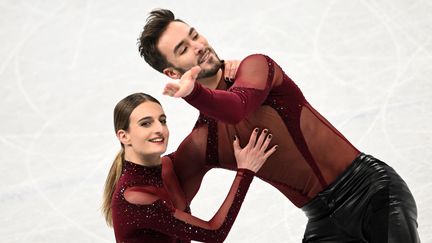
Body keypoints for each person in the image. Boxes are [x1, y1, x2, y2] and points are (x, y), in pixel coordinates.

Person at [137, 9, 421, 242]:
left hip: (372, 192)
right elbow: (166, 195)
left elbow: (236, 108)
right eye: (184, 48)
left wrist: (193, 94)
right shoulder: (205, 141)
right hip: (324, 220)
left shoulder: (256, 68)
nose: (199, 46)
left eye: (194, 35)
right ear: (173, 72)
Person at [101, 93, 277, 242]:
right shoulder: (135, 197)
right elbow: (215, 232)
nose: (159, 129)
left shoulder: (168, 166)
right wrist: (245, 172)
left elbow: (203, 131)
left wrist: (215, 83)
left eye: (162, 121)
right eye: (146, 123)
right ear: (124, 136)